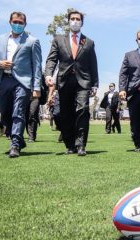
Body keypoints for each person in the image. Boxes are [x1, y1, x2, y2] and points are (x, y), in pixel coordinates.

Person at [0, 11, 42, 157]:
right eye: (15, 22)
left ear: (25, 24)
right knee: (5, 114)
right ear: (10, 22)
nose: (18, 24)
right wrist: (0, 63)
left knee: (18, 112)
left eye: (21, 22)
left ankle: (15, 145)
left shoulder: (32, 41)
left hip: (22, 82)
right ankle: (17, 138)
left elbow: (37, 66)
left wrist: (36, 87)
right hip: (4, 80)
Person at [45, 10, 99, 156]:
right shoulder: (58, 39)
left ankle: (81, 145)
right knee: (65, 114)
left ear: (82, 22)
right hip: (64, 81)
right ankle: (70, 144)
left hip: (83, 82)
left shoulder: (88, 42)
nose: (75, 21)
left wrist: (95, 84)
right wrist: (48, 74)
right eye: (72, 19)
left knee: (82, 111)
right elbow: (51, 59)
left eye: (78, 19)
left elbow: (93, 64)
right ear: (68, 21)